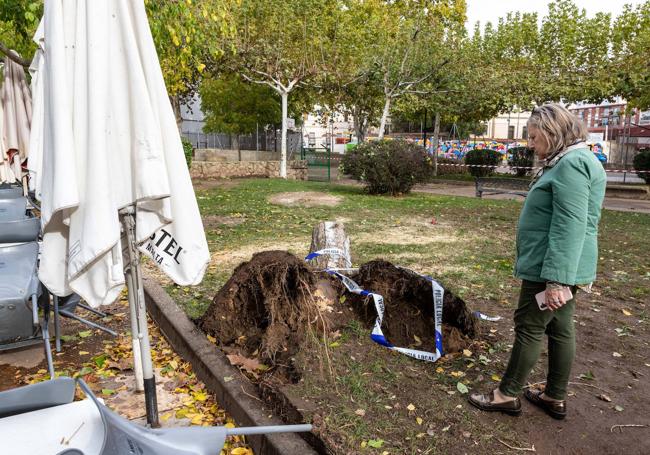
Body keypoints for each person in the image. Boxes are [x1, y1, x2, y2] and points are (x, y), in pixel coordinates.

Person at [468, 104, 607, 420]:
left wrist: (556, 280)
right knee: (559, 326)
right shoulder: (574, 159)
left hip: (552, 266)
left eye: (533, 136)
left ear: (552, 130)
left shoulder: (571, 164)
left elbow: (569, 223)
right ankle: (554, 395)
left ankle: (506, 394)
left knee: (530, 326)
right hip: (564, 264)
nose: (530, 144)